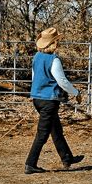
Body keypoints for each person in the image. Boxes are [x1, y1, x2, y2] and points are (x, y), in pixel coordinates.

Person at [25, 27, 84, 174]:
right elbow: (62, 81)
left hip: (38, 99)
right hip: (49, 101)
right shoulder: (54, 60)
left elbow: (34, 78)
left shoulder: (36, 57)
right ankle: (30, 164)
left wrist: (37, 93)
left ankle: (67, 158)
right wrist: (76, 92)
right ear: (53, 43)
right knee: (42, 134)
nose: (58, 43)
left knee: (56, 129)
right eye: (57, 41)